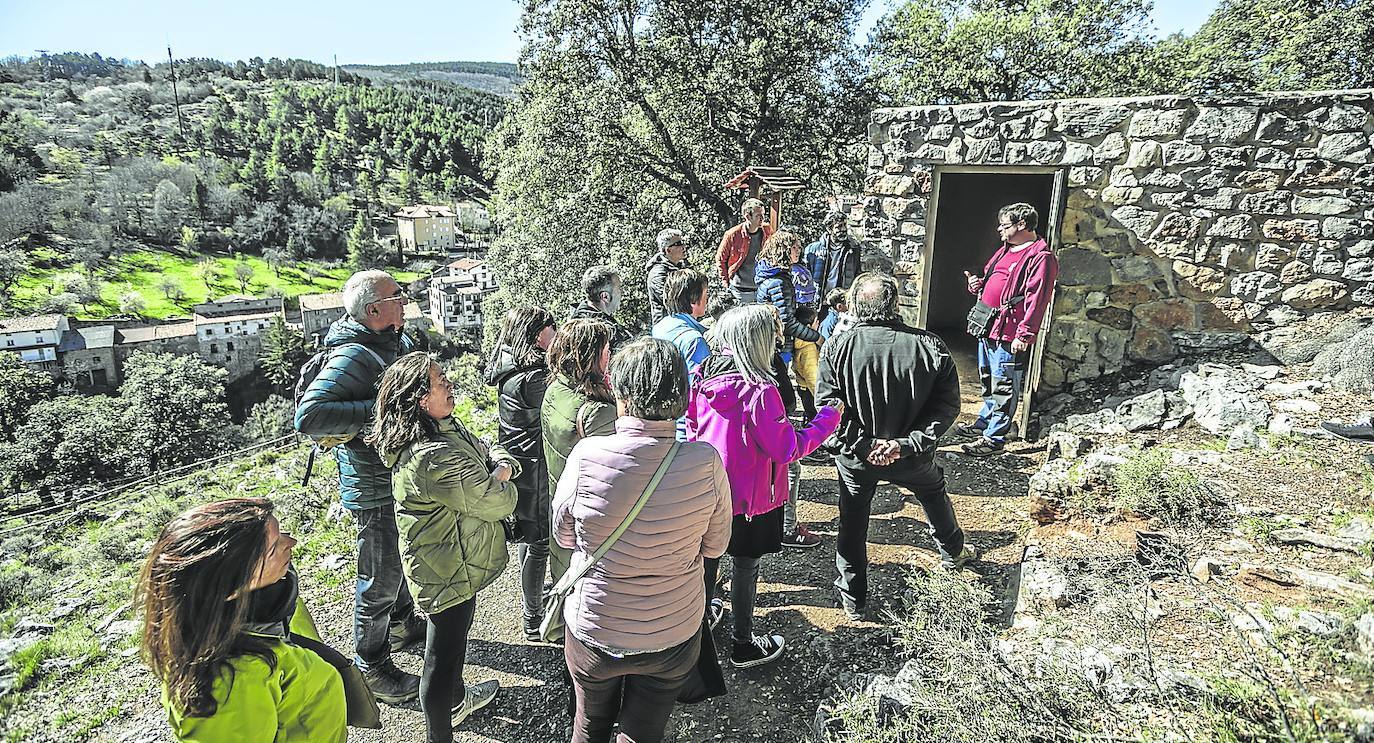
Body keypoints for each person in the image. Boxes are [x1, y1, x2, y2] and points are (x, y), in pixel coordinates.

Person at [552, 338, 732, 743]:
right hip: (672, 632)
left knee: (589, 725)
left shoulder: (586, 456)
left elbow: (564, 536)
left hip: (595, 628)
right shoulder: (705, 461)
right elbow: (716, 546)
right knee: (643, 732)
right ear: (682, 395)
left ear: (618, 388)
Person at [370, 352, 518, 742]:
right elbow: (495, 499)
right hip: (445, 566)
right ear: (421, 399)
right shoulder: (431, 457)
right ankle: (440, 733)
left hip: (451, 559)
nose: (449, 383)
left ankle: (456, 700)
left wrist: (497, 463)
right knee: (441, 655)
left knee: (453, 641)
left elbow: (484, 450)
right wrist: (504, 472)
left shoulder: (439, 430)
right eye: (441, 381)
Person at [687, 305, 841, 668]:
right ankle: (742, 644)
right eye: (771, 337)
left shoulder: (701, 377)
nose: (777, 342)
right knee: (745, 566)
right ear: (756, 342)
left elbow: (691, 429)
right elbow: (787, 447)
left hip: (708, 491)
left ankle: (698, 633)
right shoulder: (760, 391)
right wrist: (827, 418)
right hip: (752, 500)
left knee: (707, 562)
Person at [294, 269, 423, 703]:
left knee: (399, 559)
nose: (403, 300)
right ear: (374, 310)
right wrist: (388, 406)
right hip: (372, 487)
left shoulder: (389, 342)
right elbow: (310, 416)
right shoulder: (353, 356)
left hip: (394, 477)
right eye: (396, 295)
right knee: (380, 576)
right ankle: (372, 665)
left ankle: (404, 625)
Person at [816, 273, 976, 621]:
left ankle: (852, 597)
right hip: (911, 457)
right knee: (933, 493)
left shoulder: (835, 347)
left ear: (857, 305)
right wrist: (903, 445)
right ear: (896, 304)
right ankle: (953, 552)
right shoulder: (929, 345)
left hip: (857, 458)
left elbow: (828, 409)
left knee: (853, 518)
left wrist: (864, 445)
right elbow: (946, 408)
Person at [138, 498, 346, 742]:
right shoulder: (228, 685)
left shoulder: (269, 600)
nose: (292, 542)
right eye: (273, 547)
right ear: (228, 587)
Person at [959, 202, 1059, 457]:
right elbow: (995, 281)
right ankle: (984, 423)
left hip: (1008, 332)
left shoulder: (1041, 257)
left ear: (1021, 224)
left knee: (1004, 384)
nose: (999, 229)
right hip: (988, 326)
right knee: (988, 380)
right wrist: (977, 286)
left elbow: (1038, 299)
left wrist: (1024, 334)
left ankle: (994, 439)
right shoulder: (1006, 250)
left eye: (1004, 225)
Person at [485, 306, 558, 642]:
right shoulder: (533, 379)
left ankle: (533, 605)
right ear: (535, 333)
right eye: (550, 326)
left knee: (530, 541)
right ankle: (533, 620)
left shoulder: (510, 365)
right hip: (535, 469)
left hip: (522, 465)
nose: (555, 331)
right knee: (539, 542)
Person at [755, 229, 825, 549]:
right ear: (787, 250)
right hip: (774, 352)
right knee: (785, 405)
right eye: (796, 245)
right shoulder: (780, 281)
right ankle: (784, 523)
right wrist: (815, 336)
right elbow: (785, 323)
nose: (800, 250)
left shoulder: (770, 274)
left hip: (769, 350)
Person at [541, 319, 619, 594]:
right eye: (607, 350)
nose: (610, 355)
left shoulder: (554, 390)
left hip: (560, 507)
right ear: (592, 356)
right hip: (591, 525)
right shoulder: (597, 412)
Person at [651, 269, 711, 441]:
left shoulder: (661, 326)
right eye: (705, 293)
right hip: (684, 431)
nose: (707, 299)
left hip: (662, 422)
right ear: (693, 300)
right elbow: (697, 393)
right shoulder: (694, 340)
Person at [804, 210, 862, 320]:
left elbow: (857, 273)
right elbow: (806, 276)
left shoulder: (853, 249)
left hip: (841, 302)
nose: (844, 229)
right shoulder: (813, 250)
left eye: (845, 225)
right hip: (819, 301)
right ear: (829, 229)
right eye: (839, 226)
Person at [716, 198, 773, 305]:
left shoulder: (767, 230)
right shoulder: (733, 235)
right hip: (740, 289)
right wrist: (725, 282)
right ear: (747, 216)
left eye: (763, 215)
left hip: (761, 287)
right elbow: (720, 259)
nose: (762, 218)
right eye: (758, 215)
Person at [569, 265, 633, 354]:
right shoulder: (600, 332)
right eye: (619, 289)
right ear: (605, 296)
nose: (622, 294)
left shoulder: (575, 323)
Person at [645, 229, 689, 325]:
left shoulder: (682, 267)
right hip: (667, 327)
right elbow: (670, 300)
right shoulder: (658, 273)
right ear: (668, 250)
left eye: (683, 242)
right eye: (679, 244)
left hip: (683, 321)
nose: (684, 247)